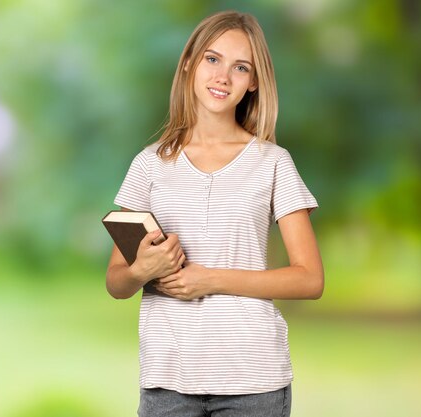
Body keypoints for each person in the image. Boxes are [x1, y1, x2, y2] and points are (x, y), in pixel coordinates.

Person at [105, 9, 324, 417]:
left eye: (240, 67)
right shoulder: (148, 165)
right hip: (167, 381)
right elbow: (117, 282)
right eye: (212, 59)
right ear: (189, 63)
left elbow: (310, 279)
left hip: (253, 382)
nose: (223, 76)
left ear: (254, 82)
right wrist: (143, 270)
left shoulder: (273, 163)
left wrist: (210, 280)